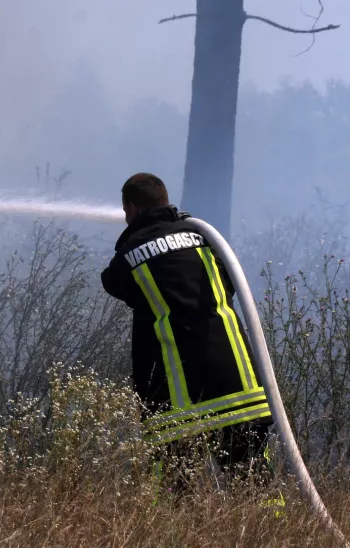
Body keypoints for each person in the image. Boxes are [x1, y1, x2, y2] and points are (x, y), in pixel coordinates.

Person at [100, 172, 279, 499]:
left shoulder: (129, 257)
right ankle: (273, 545)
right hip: (237, 384)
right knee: (253, 485)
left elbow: (113, 284)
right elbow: (228, 285)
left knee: (174, 494)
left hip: (177, 399)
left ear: (132, 208)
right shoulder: (205, 238)